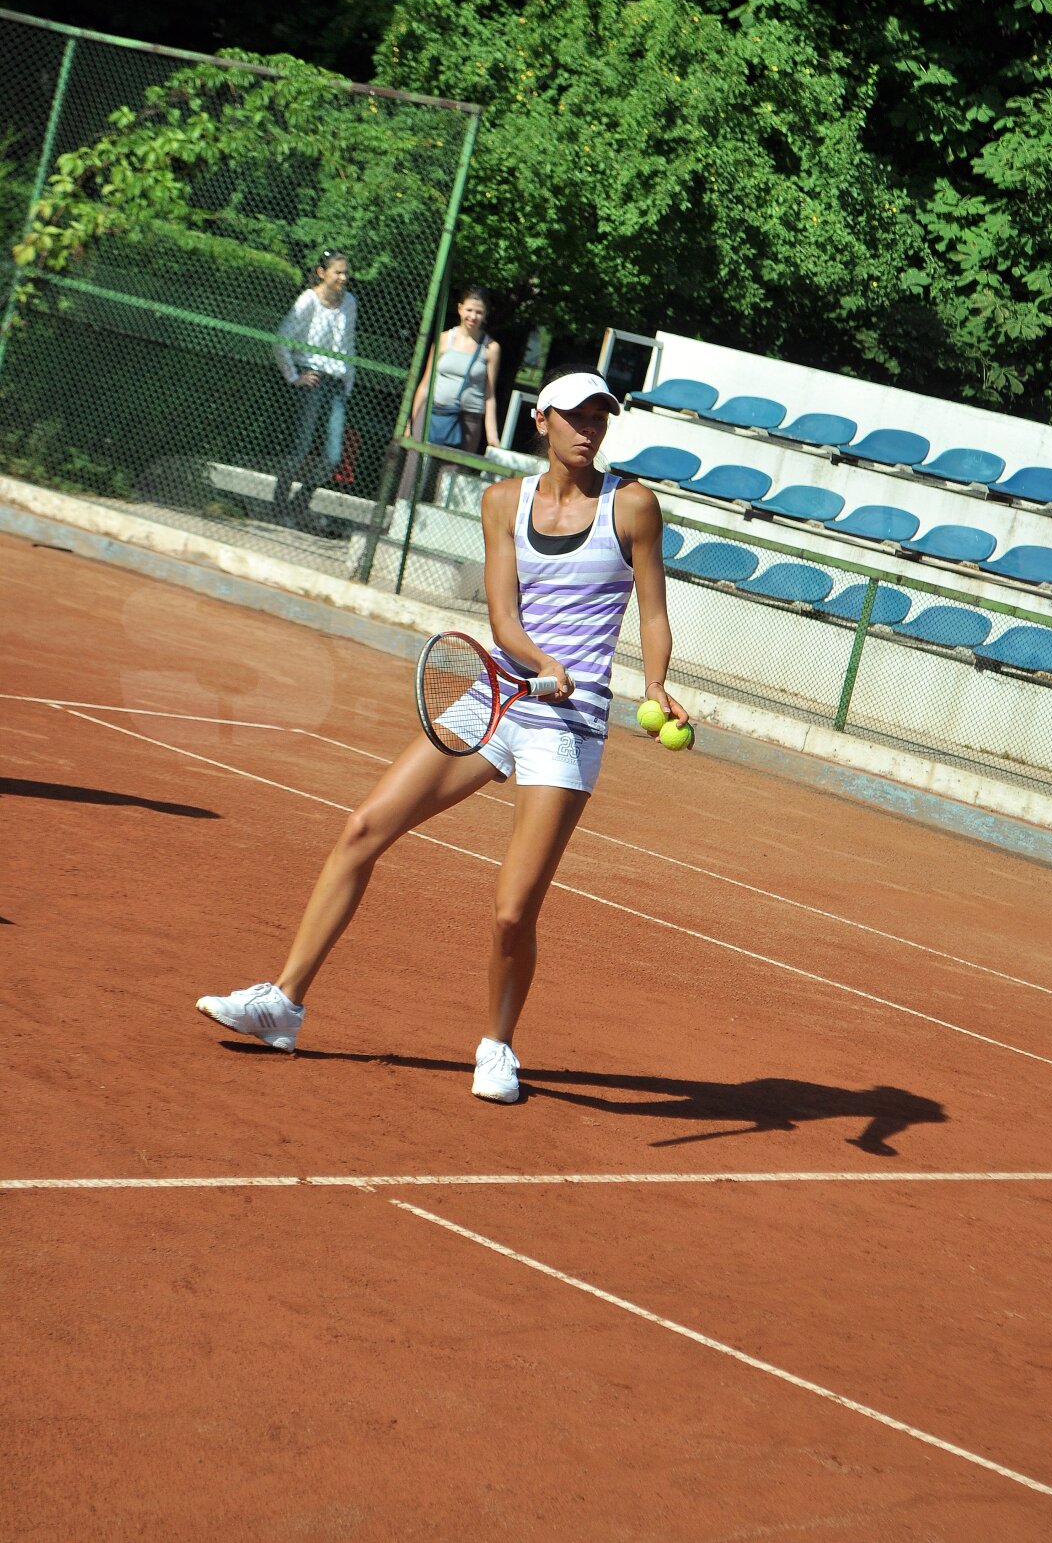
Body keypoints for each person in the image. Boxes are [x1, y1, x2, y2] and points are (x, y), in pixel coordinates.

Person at [197, 369, 690, 1104]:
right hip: (494, 695)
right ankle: (284, 1003)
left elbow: (651, 608)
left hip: (570, 721)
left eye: (602, 416)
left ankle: (497, 1045)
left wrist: (653, 683)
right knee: (364, 826)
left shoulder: (634, 506)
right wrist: (541, 662)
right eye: (578, 415)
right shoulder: (502, 503)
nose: (591, 428)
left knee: (513, 907)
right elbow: (503, 621)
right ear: (542, 421)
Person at [271, 249, 357, 529]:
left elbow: (348, 345)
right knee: (301, 448)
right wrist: (294, 376)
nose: (343, 278)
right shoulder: (308, 300)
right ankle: (280, 504)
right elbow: (281, 339)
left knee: (333, 456)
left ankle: (300, 501)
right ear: (322, 273)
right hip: (313, 380)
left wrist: (348, 381)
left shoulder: (350, 303)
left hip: (337, 383)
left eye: (346, 272)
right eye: (338, 272)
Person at [399, 287, 501, 501]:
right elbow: (425, 383)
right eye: (470, 310)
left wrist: (492, 437)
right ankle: (402, 514)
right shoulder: (445, 338)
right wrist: (411, 422)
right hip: (433, 413)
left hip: (467, 420)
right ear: (460, 309)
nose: (473, 316)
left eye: (479, 312)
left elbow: (489, 395)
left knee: (451, 475)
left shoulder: (490, 348)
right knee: (415, 466)